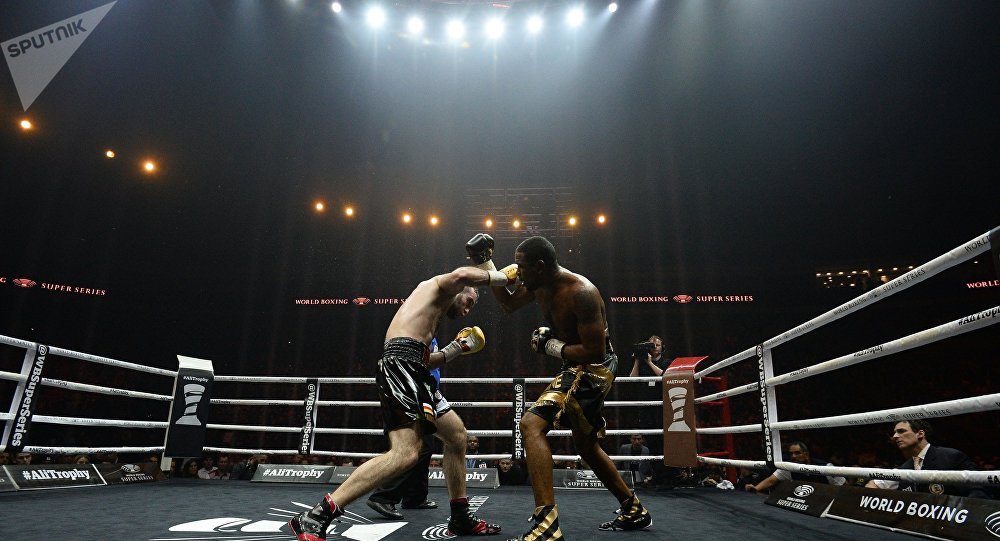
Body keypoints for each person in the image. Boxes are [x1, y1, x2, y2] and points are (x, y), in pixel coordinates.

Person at [289, 263, 506, 540]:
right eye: (469, 301)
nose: (467, 310)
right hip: (403, 365)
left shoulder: (429, 316)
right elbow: (462, 275)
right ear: (459, 291)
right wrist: (499, 277)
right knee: (406, 453)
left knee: (457, 437)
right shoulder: (438, 284)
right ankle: (317, 515)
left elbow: (427, 360)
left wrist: (456, 349)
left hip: (415, 368)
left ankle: (461, 518)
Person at [476, 234, 652, 539]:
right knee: (586, 446)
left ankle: (547, 524)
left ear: (540, 266)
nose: (516, 272)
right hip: (574, 364)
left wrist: (551, 347)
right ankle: (633, 509)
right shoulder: (539, 285)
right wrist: (485, 260)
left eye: (521, 266)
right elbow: (507, 304)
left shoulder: (580, 292)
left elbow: (595, 352)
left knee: (531, 425)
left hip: (594, 368)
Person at [366, 339, 444, 520]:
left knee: (427, 446)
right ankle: (383, 496)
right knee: (418, 448)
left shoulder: (431, 333)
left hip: (425, 391)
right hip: (413, 391)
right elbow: (420, 360)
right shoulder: (420, 332)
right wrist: (455, 349)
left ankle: (415, 497)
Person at [865, 419, 988, 498]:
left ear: (920, 434)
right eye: (895, 432)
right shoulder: (905, 468)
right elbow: (872, 486)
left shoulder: (951, 456)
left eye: (901, 431)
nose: (895, 436)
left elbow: (979, 490)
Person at [744, 441, 846, 493]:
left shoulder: (826, 467)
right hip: (803, 504)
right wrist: (756, 488)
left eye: (797, 453)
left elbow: (845, 486)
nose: (793, 456)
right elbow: (771, 480)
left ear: (806, 454)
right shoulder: (789, 468)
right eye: (791, 453)